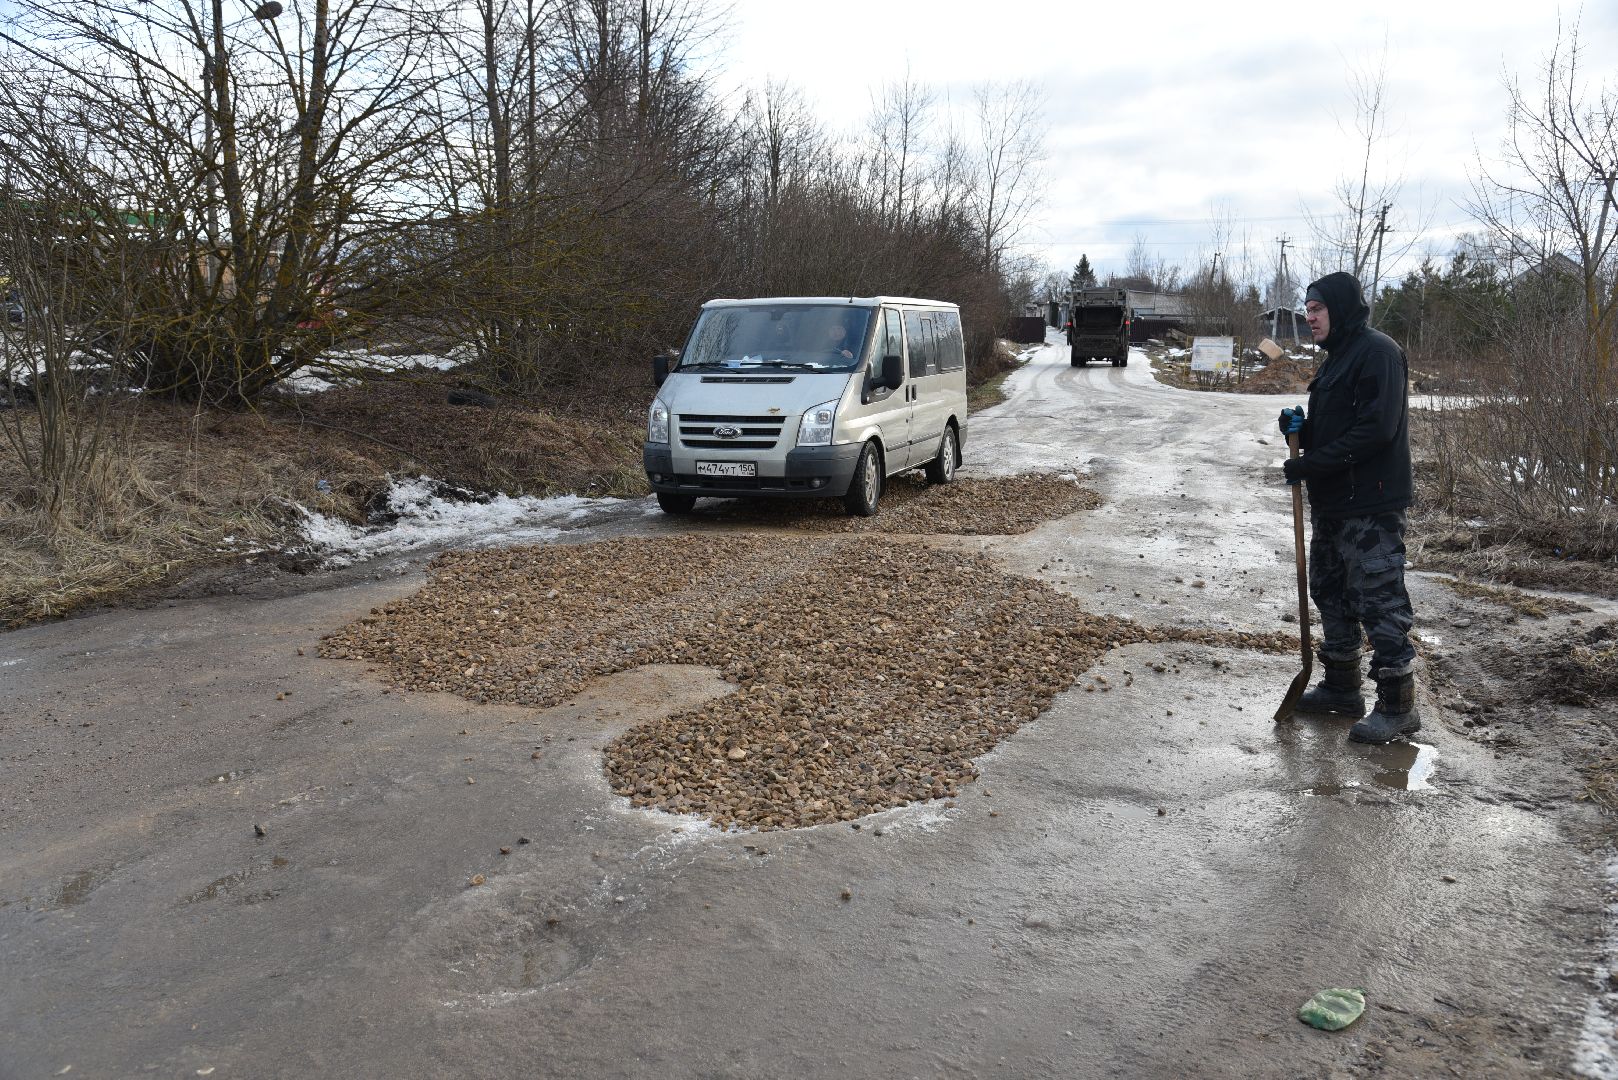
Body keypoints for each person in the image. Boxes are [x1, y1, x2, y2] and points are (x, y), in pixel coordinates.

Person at [1277, 271, 1418, 744]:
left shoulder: (1378, 352)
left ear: (1339, 307)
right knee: (1330, 591)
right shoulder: (1337, 359)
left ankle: (1398, 707)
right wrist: (1304, 431)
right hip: (1336, 503)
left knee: (1377, 598)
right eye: (1307, 309)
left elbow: (1377, 429)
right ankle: (1341, 687)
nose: (1309, 317)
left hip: (1371, 503)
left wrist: (1312, 462)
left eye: (1316, 309)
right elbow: (1343, 428)